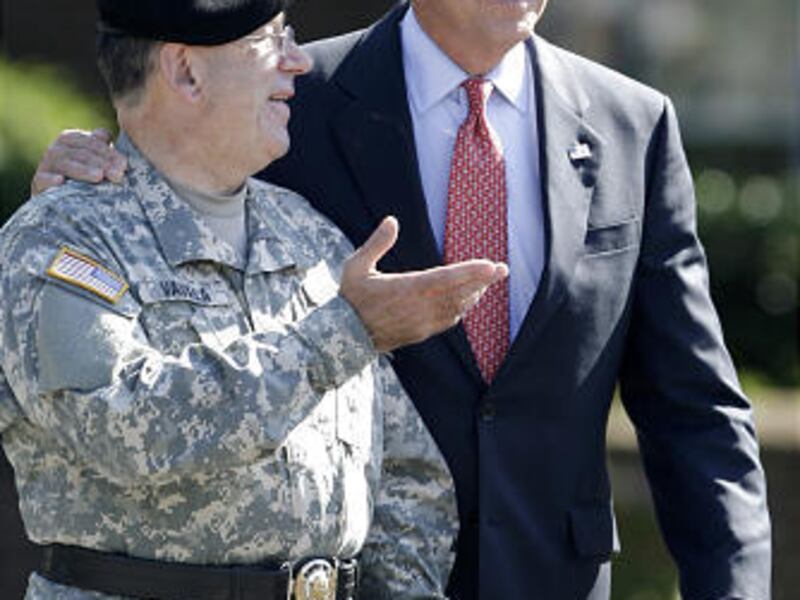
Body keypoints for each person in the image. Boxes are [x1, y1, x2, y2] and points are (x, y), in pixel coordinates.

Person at [31, 0, 773, 598]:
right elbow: (175, 168)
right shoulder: (295, 97)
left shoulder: (631, 125)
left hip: (556, 575)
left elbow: (694, 407)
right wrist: (90, 175)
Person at [0, 1, 512, 599]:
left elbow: (406, 474)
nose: (297, 62)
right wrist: (342, 334)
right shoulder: (62, 238)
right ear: (186, 72)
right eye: (271, 40)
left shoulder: (310, 236)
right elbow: (125, 427)